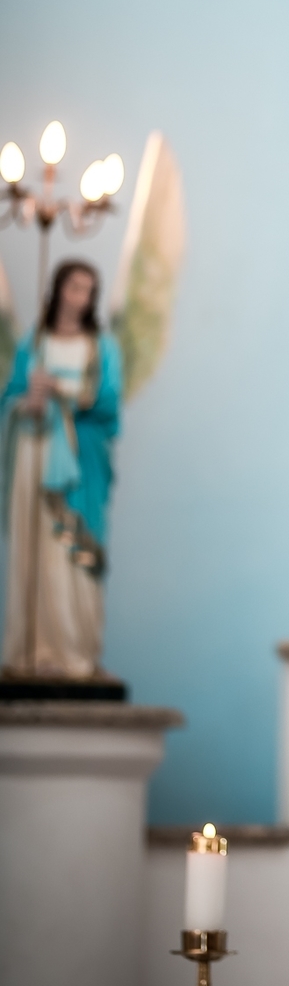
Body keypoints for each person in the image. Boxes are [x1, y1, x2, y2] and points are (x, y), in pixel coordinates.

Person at [1, 261, 123, 680]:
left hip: (79, 463)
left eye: (88, 290)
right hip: (36, 460)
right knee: (38, 548)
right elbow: (11, 400)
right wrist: (28, 403)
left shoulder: (101, 348)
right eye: (73, 287)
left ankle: (75, 650)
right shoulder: (32, 344)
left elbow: (108, 405)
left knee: (76, 551)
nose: (79, 298)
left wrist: (62, 393)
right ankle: (34, 649)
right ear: (57, 290)